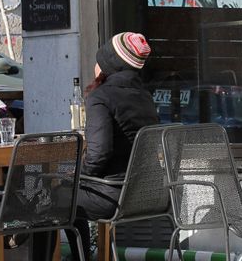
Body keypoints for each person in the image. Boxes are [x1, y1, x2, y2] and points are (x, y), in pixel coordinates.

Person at [40, 32, 159, 261]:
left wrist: (77, 177)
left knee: (52, 197)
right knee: (68, 196)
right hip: (147, 195)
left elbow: (98, 155)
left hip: (111, 195)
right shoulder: (145, 96)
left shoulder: (101, 97)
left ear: (109, 62)